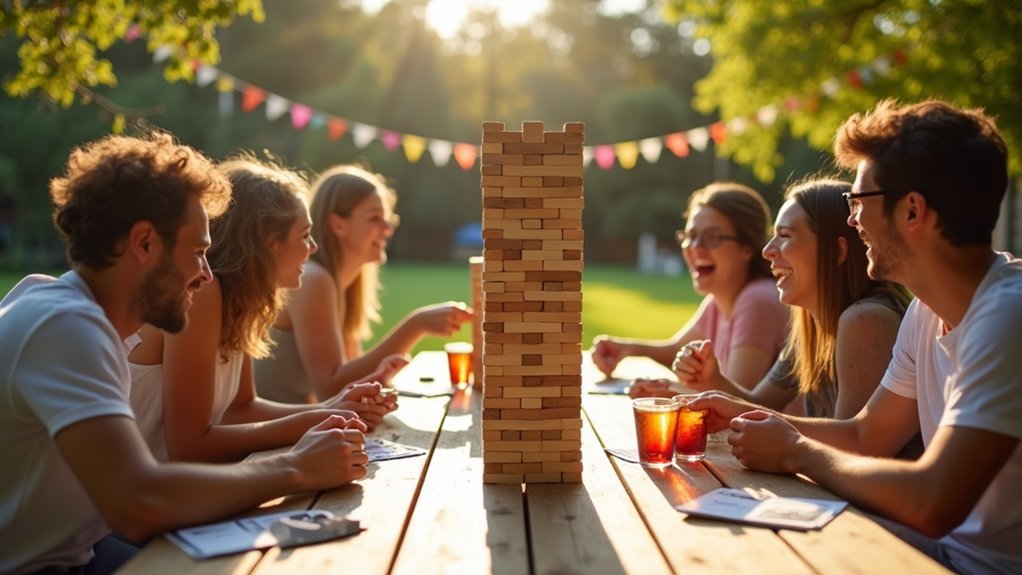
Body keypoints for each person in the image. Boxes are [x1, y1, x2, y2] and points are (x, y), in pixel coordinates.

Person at [0, 133, 368, 575]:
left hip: (82, 552)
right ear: (143, 243)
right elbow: (140, 501)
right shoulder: (64, 325)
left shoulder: (92, 323)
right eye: (198, 253)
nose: (206, 275)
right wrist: (297, 469)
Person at [692, 100, 1020, 574]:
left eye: (859, 201)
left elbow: (933, 500)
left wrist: (795, 451)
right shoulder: (926, 311)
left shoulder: (1008, 316)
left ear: (913, 210)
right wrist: (741, 412)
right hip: (940, 550)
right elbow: (866, 435)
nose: (851, 219)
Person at [129, 156, 397, 464]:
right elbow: (189, 446)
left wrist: (334, 409)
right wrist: (322, 418)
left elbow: (241, 408)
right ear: (271, 244)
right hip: (135, 501)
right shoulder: (202, 292)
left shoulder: (240, 303)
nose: (313, 248)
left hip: (184, 489)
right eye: (304, 235)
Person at [667, 179, 915, 427]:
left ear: (837, 252)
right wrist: (714, 380)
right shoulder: (810, 324)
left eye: (785, 236)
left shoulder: (866, 319)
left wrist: (776, 438)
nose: (767, 250)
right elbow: (761, 403)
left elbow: (851, 445)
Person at [255, 164, 472, 404]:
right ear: (338, 225)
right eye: (375, 218)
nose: (387, 229)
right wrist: (415, 325)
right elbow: (331, 387)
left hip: (307, 431)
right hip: (279, 439)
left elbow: (348, 377)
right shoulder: (313, 279)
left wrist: (380, 373)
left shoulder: (344, 285)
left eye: (389, 218)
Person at [593, 182, 788, 390]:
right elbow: (676, 350)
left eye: (712, 237)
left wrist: (667, 389)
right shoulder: (718, 301)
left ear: (747, 248)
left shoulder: (757, 300)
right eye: (691, 236)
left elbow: (736, 403)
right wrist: (625, 348)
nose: (695, 248)